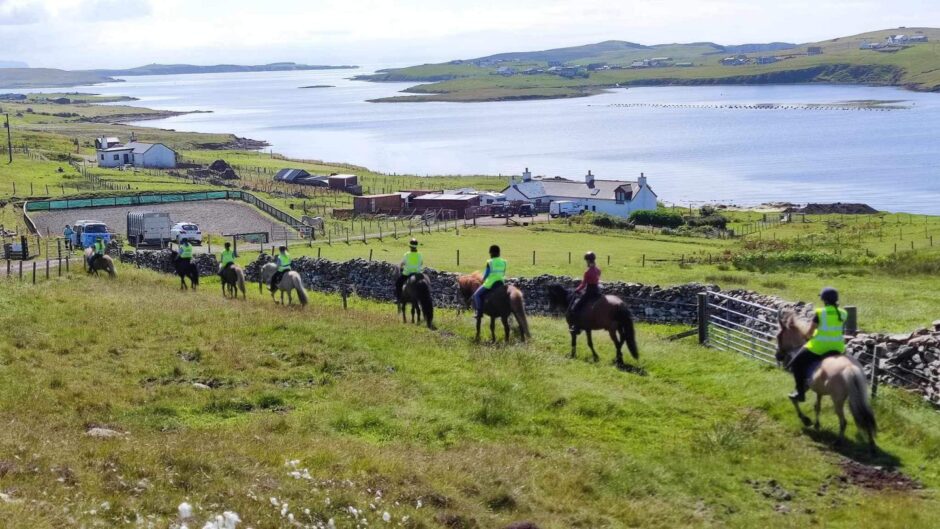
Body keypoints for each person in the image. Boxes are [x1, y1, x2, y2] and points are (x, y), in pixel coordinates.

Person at [787, 287, 848, 402]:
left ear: (824, 300)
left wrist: (807, 337)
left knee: (796, 363)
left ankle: (800, 393)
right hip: (838, 347)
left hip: (819, 347)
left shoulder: (820, 312)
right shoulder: (843, 313)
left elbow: (810, 333)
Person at [568, 251, 602, 333]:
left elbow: (583, 284)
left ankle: (576, 327)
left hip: (589, 292)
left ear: (588, 261)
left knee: (575, 307)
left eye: (586, 260)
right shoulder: (598, 270)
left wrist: (576, 290)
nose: (586, 262)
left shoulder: (587, 272)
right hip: (597, 291)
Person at [472, 245, 507, 319]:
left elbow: (486, 274)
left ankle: (479, 313)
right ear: (499, 253)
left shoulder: (490, 262)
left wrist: (482, 280)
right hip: (501, 283)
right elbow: (503, 273)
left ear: (491, 253)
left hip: (490, 283)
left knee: (476, 295)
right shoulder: (504, 262)